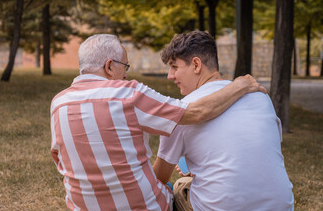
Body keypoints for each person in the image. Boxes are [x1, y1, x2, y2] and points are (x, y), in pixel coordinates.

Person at [50, 34, 266, 211]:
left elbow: (58, 159)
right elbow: (197, 112)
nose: (125, 75)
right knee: (176, 187)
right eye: (124, 66)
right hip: (145, 207)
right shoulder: (128, 94)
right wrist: (241, 85)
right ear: (109, 66)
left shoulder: (58, 103)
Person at [153, 31, 294, 211]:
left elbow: (158, 178)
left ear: (196, 65)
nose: (170, 76)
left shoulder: (183, 110)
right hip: (281, 206)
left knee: (179, 185)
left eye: (174, 67)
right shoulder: (259, 95)